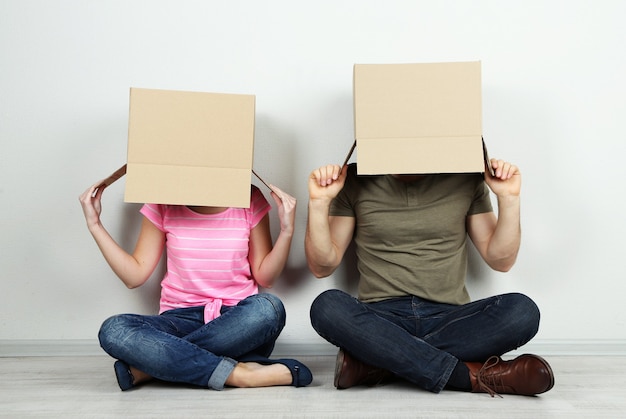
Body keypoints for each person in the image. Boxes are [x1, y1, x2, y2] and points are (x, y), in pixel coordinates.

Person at [305, 158, 554, 397]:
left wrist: (508, 198)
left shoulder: (466, 178)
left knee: (522, 312)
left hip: (450, 319)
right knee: (326, 307)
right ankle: (469, 377)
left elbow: (501, 260)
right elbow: (322, 267)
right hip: (382, 319)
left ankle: (381, 363)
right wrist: (319, 203)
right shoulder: (355, 180)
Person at [79, 179, 312, 391]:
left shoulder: (249, 197)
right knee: (114, 329)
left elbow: (266, 277)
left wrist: (286, 230)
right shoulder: (163, 201)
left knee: (268, 309)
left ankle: (151, 366)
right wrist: (95, 224)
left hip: (236, 324)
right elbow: (134, 275)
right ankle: (239, 374)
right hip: (179, 319)